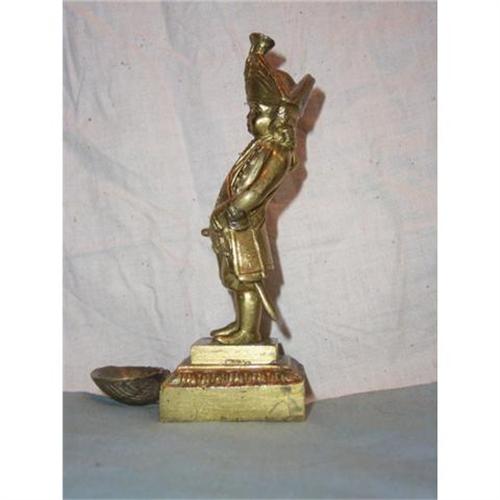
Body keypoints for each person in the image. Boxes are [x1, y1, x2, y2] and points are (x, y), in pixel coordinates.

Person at [202, 33, 315, 345]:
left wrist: (233, 210)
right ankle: (241, 324)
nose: (251, 118)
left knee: (246, 280)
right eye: (251, 110)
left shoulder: (276, 154)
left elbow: (257, 190)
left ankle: (249, 331)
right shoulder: (259, 148)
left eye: (259, 112)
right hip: (231, 227)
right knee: (232, 278)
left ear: (280, 117)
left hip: (245, 228)